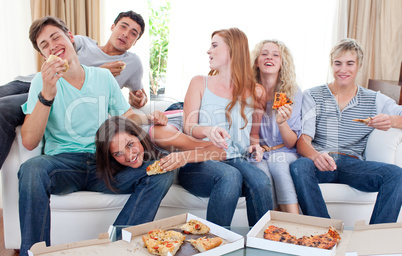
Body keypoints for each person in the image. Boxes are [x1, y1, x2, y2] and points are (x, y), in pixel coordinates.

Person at [17, 16, 170, 256]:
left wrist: (150, 117)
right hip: (63, 164)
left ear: (70, 38)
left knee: (163, 169)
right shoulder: (41, 82)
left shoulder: (103, 78)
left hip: (104, 163)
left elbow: (127, 114)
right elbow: (29, 141)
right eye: (44, 45)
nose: (52, 45)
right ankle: (34, 253)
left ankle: (118, 245)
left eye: (55, 37)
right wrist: (47, 93)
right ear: (44, 55)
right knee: (32, 169)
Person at [0, 10, 147, 170]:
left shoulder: (132, 63)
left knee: (3, 108)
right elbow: (69, 63)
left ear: (136, 41)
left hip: (58, 91)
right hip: (39, 81)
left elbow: (137, 95)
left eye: (133, 33)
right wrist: (97, 69)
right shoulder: (84, 43)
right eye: (123, 27)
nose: (125, 34)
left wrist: (139, 100)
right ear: (112, 27)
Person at [290, 38, 402, 224]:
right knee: (298, 166)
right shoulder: (313, 95)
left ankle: (374, 238)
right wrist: (316, 156)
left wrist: (391, 120)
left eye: (350, 63)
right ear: (331, 65)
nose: (343, 70)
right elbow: (303, 141)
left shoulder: (374, 99)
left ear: (359, 66)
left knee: (396, 175)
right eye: (338, 63)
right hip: (321, 161)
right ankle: (325, 230)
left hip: (353, 165)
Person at [180, 27, 273, 227]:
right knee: (230, 176)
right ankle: (213, 244)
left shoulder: (257, 91)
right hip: (199, 160)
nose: (208, 51)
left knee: (261, 181)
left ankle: (263, 245)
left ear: (232, 50)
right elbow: (188, 126)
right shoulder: (199, 83)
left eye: (214, 46)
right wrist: (207, 130)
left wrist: (256, 146)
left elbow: (253, 136)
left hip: (236, 160)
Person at [95, 115, 231, 192]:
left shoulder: (161, 135)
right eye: (118, 154)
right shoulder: (113, 162)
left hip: (187, 118)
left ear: (138, 135)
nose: (129, 156)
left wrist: (184, 157)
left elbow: (220, 150)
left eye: (130, 145)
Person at [249, 39, 303, 214]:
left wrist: (282, 122)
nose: (268, 57)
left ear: (282, 64)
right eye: (264, 54)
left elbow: (291, 143)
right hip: (258, 152)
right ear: (257, 62)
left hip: (285, 151)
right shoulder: (248, 91)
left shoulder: (292, 92)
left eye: (275, 55)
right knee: (260, 173)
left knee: (278, 164)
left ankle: (295, 222)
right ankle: (273, 228)